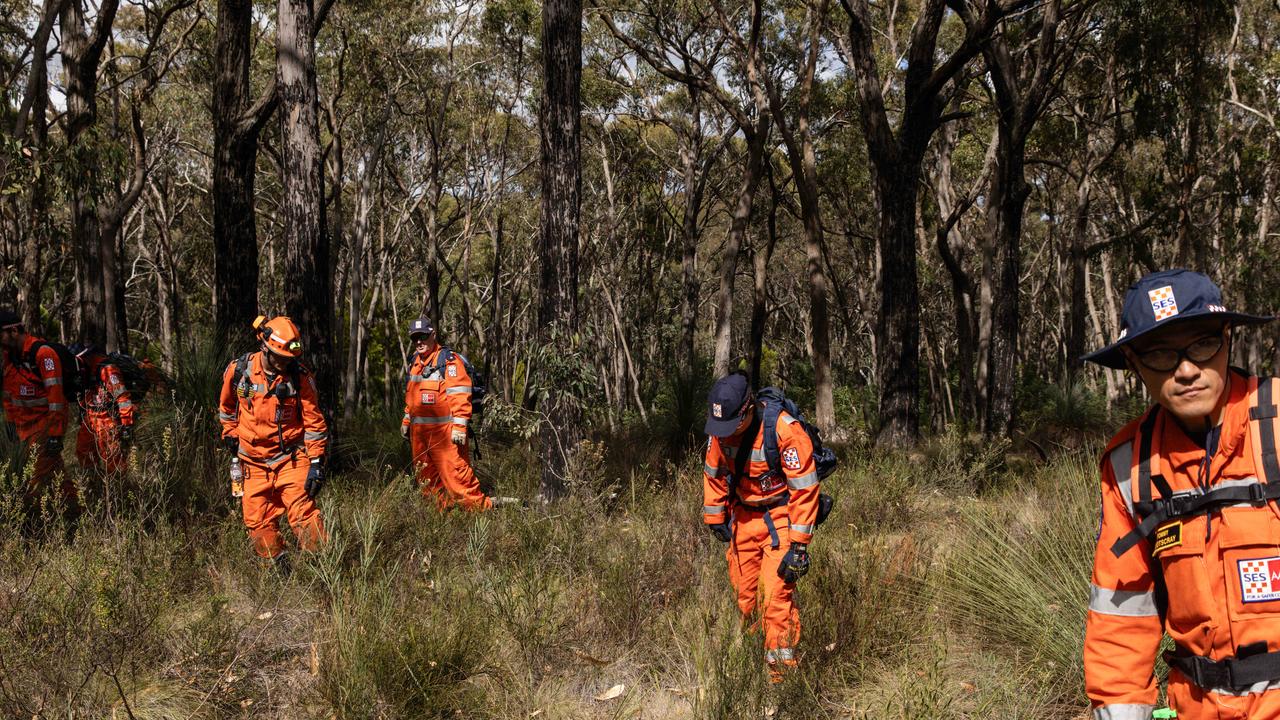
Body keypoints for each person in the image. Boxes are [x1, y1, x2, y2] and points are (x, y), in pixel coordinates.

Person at [1083, 269, 1280, 719]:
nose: (1187, 370)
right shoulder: (1129, 466)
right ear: (1133, 362)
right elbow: (1122, 622)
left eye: (1202, 345)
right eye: (1160, 354)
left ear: (1227, 338)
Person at [701, 372, 821, 682]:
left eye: (732, 426)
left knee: (775, 599)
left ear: (748, 408)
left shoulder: (784, 430)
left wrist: (799, 545)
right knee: (746, 599)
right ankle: (752, 670)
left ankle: (780, 679)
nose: (726, 434)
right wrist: (715, 518)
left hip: (779, 518)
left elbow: (805, 489)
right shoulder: (721, 430)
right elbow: (713, 472)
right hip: (742, 518)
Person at [218, 316, 328, 572]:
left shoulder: (300, 379)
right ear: (265, 348)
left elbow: (314, 423)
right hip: (252, 464)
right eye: (282, 358)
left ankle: (322, 571)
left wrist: (315, 463)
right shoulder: (239, 372)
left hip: (290, 459)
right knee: (257, 522)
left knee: (304, 515)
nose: (287, 363)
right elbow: (226, 408)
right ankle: (281, 570)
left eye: (291, 359)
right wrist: (230, 432)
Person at [400, 317, 491, 511]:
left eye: (423, 336)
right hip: (419, 436)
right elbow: (412, 396)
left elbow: (460, 395)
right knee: (427, 483)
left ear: (433, 335)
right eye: (415, 338)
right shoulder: (415, 362)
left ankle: (482, 514)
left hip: (446, 436)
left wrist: (459, 427)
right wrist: (407, 418)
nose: (419, 342)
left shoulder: (448, 362)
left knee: (459, 482)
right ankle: (444, 522)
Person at [0, 309, 73, 513]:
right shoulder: (9, 357)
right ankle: (74, 512)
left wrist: (55, 435)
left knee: (33, 481)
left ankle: (33, 528)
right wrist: (9, 424)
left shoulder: (44, 355)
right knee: (57, 476)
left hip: (44, 429)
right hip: (22, 431)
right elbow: (9, 395)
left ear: (13, 331)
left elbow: (57, 400)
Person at [71, 344, 135, 475]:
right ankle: (93, 484)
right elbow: (86, 396)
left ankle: (118, 490)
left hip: (108, 420)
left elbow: (123, 397)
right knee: (83, 451)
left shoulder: (109, 371)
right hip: (90, 419)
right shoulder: (86, 372)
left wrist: (126, 424)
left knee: (112, 459)